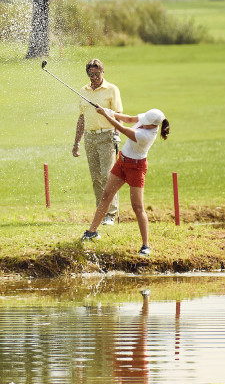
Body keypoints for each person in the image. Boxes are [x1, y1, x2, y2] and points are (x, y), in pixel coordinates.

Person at [80, 107, 170, 256]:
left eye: (146, 122)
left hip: (136, 168)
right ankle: (92, 232)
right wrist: (109, 111)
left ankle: (146, 246)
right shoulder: (148, 119)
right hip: (121, 163)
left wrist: (105, 115)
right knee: (106, 196)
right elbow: (128, 119)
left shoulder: (146, 135)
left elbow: (121, 127)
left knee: (137, 207)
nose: (143, 121)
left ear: (154, 126)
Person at [72, 58, 124, 226]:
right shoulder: (83, 90)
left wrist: (117, 133)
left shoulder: (111, 90)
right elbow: (82, 118)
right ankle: (100, 213)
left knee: (107, 176)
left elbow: (119, 114)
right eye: (90, 74)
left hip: (107, 136)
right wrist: (76, 143)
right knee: (96, 178)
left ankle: (111, 213)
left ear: (103, 72)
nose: (93, 77)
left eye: (97, 73)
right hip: (90, 137)